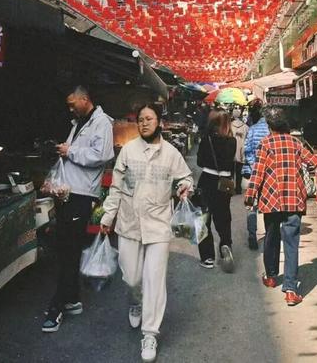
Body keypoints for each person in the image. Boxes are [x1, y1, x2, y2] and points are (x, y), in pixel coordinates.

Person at [100, 104, 193, 363]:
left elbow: (186, 177)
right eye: (141, 119)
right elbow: (116, 188)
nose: (144, 123)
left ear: (159, 122)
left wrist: (184, 187)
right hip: (129, 223)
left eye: (149, 119)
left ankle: (150, 333)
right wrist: (108, 216)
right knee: (132, 277)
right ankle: (135, 300)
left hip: (159, 224)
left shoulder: (171, 153)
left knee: (155, 279)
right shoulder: (128, 151)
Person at [42, 85, 114, 332]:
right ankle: (72, 299)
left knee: (69, 250)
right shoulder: (79, 122)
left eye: (73, 104)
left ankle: (57, 306)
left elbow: (102, 154)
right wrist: (65, 149)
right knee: (66, 248)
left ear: (85, 99)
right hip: (69, 192)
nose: (70, 109)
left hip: (82, 194)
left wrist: (70, 151)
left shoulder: (101, 122)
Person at [244, 106, 316, 307]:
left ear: (270, 126)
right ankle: (291, 290)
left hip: (271, 199)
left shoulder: (266, 144)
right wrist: (299, 170)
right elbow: (313, 162)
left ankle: (271, 276)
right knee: (291, 244)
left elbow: (258, 173)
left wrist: (250, 196)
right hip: (294, 200)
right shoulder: (296, 143)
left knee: (271, 237)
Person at [196, 110, 236, 271]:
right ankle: (225, 244)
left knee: (203, 220)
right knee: (223, 217)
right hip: (224, 183)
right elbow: (231, 163)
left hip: (207, 180)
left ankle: (207, 257)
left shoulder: (206, 139)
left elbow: (199, 162)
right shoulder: (232, 141)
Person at [243, 99, 269, 250]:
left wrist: (254, 166)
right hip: (269, 173)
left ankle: (252, 235)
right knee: (268, 204)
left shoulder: (252, 129)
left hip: (253, 173)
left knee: (251, 205)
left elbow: (247, 150)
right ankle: (269, 234)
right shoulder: (271, 130)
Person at [231, 107, 248, 195]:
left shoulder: (229, 125)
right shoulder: (245, 127)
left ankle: (230, 187)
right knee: (239, 170)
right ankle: (238, 188)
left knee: (231, 170)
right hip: (241, 151)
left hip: (231, 150)